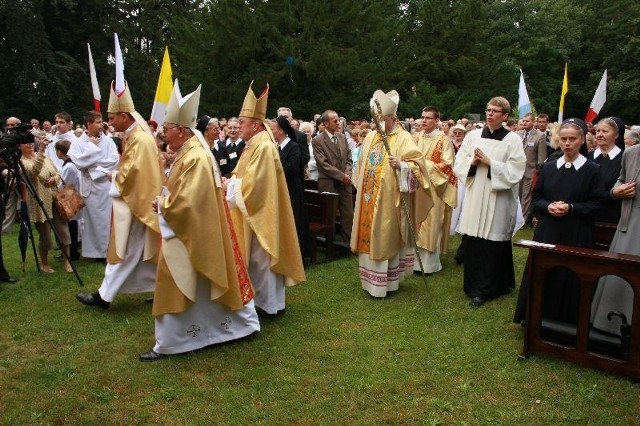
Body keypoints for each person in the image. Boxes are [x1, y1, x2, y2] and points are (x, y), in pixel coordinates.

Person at [140, 81, 259, 361]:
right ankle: (235, 328)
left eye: (166, 129)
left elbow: (190, 200)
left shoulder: (195, 155)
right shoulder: (191, 148)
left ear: (181, 130)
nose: (162, 134)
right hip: (198, 228)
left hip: (189, 229)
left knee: (175, 279)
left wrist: (163, 204)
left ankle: (171, 342)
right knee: (207, 283)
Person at [76, 81, 164, 309]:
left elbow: (134, 173)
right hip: (141, 201)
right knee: (139, 250)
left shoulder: (140, 138)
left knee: (126, 249)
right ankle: (161, 287)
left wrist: (114, 176)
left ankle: (103, 296)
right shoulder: (137, 135)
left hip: (138, 203)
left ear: (125, 116)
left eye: (113, 118)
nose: (109, 122)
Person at [225, 81, 305, 314]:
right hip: (252, 211)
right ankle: (261, 302)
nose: (238, 126)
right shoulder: (252, 144)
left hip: (262, 211)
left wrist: (232, 187)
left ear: (256, 125)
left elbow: (257, 184)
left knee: (263, 260)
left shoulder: (264, 146)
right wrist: (230, 181)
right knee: (258, 260)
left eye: (242, 122)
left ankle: (271, 305)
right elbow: (241, 172)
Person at [513, 118, 603, 324]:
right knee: (543, 273)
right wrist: (548, 207)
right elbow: (536, 198)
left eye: (572, 139)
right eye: (564, 139)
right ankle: (534, 316)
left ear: (582, 140)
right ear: (558, 141)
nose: (568, 143)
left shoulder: (592, 170)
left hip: (577, 232)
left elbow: (597, 203)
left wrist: (571, 208)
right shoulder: (550, 167)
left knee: (571, 276)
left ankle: (567, 321)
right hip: (549, 229)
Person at [351, 89, 431, 298]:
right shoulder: (370, 136)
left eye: (382, 120)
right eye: (375, 120)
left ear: (393, 118)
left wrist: (403, 166)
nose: (377, 125)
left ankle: (388, 284)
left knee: (386, 237)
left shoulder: (403, 138)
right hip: (369, 198)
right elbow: (360, 165)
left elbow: (419, 167)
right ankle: (370, 282)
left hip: (389, 202)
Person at [453, 97, 525, 307]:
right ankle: (473, 285)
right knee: (474, 242)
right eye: (488, 110)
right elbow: (460, 162)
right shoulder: (473, 135)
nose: (490, 114)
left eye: (495, 111)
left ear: (505, 116)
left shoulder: (513, 140)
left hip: (498, 197)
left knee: (493, 244)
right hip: (476, 195)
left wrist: (491, 163)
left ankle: (490, 287)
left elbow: (516, 169)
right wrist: (473, 163)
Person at [591, 142, 639, 335]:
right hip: (630, 223)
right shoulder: (632, 153)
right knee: (621, 275)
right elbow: (621, 179)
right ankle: (611, 325)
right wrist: (615, 191)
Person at [68, 111, 119, 260]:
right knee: (91, 220)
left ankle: (107, 250)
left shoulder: (108, 141)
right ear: (89, 124)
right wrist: (92, 149)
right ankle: (94, 252)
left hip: (104, 185)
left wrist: (91, 166)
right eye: (98, 122)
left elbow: (113, 161)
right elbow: (77, 162)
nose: (102, 125)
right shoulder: (78, 142)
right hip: (89, 186)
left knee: (105, 219)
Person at [414, 106, 457, 274]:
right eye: (422, 117)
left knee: (430, 223)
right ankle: (413, 262)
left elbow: (447, 166)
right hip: (415, 187)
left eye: (428, 118)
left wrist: (423, 165)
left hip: (434, 189)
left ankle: (429, 265)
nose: (424, 120)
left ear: (437, 120)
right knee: (414, 221)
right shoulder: (416, 137)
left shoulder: (444, 140)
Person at [312, 110, 354, 243]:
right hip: (329, 183)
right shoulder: (317, 141)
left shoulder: (342, 137)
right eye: (335, 121)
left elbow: (349, 158)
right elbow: (323, 164)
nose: (338, 122)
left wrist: (348, 173)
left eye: (338, 120)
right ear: (325, 123)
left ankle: (349, 241)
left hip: (345, 183)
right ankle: (330, 243)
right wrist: (342, 176)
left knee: (348, 213)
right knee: (329, 215)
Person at [19, 133, 59, 273]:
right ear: (19, 146)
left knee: (63, 232)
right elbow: (34, 171)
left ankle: (67, 259)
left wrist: (55, 179)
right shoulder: (22, 162)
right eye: (25, 143)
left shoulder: (45, 156)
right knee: (46, 237)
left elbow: (57, 171)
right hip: (39, 201)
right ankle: (44, 263)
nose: (30, 144)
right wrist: (41, 150)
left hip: (54, 198)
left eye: (31, 142)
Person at [271, 115, 309, 260]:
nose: (271, 132)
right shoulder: (278, 146)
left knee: (294, 221)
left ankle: (297, 254)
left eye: (273, 129)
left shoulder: (293, 147)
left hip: (293, 190)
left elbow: (292, 169)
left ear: (281, 130)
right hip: (283, 189)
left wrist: (276, 156)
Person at [589, 117, 625, 224]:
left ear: (616, 135)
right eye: (598, 131)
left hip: (612, 217)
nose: (600, 134)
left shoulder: (625, 158)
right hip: (587, 216)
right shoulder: (588, 157)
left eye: (605, 131)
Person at [54, 139, 81, 271]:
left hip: (69, 199)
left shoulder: (69, 166)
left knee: (70, 226)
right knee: (71, 225)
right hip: (69, 197)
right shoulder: (69, 164)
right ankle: (71, 252)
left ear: (59, 151)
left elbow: (63, 183)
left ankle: (73, 253)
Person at [516, 113, 547, 224]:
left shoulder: (539, 136)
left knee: (526, 197)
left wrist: (538, 172)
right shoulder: (517, 134)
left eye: (527, 121)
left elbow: (541, 157)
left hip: (530, 171)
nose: (524, 123)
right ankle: (515, 218)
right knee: (517, 196)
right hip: (517, 171)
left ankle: (522, 221)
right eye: (523, 121)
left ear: (533, 122)